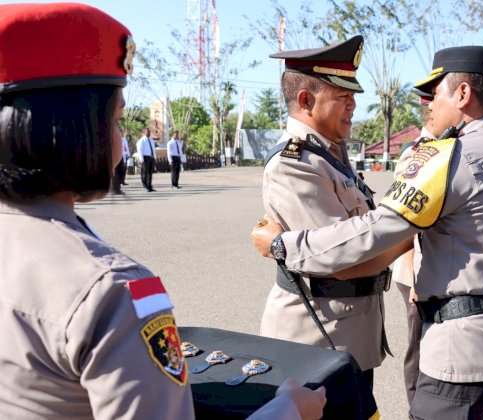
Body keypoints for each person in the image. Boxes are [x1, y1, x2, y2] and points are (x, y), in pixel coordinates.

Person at [0, 4, 325, 420]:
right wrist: (289, 409)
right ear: (74, 131)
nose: (120, 137)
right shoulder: (115, 289)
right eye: (116, 120)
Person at [253, 45, 483, 419]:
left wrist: (280, 244)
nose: (432, 106)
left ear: (462, 94)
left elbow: (375, 232)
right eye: (342, 96)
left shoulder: (450, 156)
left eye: (437, 93)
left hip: (468, 351)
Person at [258, 35, 394, 389]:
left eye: (352, 97)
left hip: (347, 331)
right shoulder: (296, 165)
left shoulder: (331, 155)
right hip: (316, 337)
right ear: (306, 100)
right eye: (342, 97)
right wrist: (412, 229)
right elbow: (343, 259)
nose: (352, 106)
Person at [391, 87, 434, 407]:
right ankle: (415, 408)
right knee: (419, 345)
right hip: (416, 271)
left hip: (437, 268)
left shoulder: (449, 146)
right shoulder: (416, 152)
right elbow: (403, 222)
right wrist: (414, 275)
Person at [136, 127, 156, 192]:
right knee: (145, 173)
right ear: (144, 133)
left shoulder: (151, 140)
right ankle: (145, 185)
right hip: (145, 158)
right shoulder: (141, 140)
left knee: (150, 173)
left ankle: (149, 186)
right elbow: (140, 151)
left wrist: (154, 157)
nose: (149, 133)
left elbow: (153, 149)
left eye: (149, 132)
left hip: (151, 157)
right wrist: (142, 160)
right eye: (148, 132)